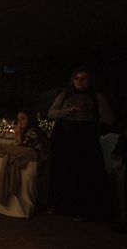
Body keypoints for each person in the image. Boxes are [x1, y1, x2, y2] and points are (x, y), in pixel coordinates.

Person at [47, 67, 115, 222]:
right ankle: (61, 205)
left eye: (83, 78)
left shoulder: (96, 97)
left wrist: (90, 117)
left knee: (83, 173)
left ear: (89, 81)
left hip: (85, 140)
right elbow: (51, 113)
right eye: (77, 78)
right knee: (64, 171)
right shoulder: (65, 95)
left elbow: (109, 119)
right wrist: (67, 111)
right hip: (65, 138)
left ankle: (81, 210)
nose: (80, 82)